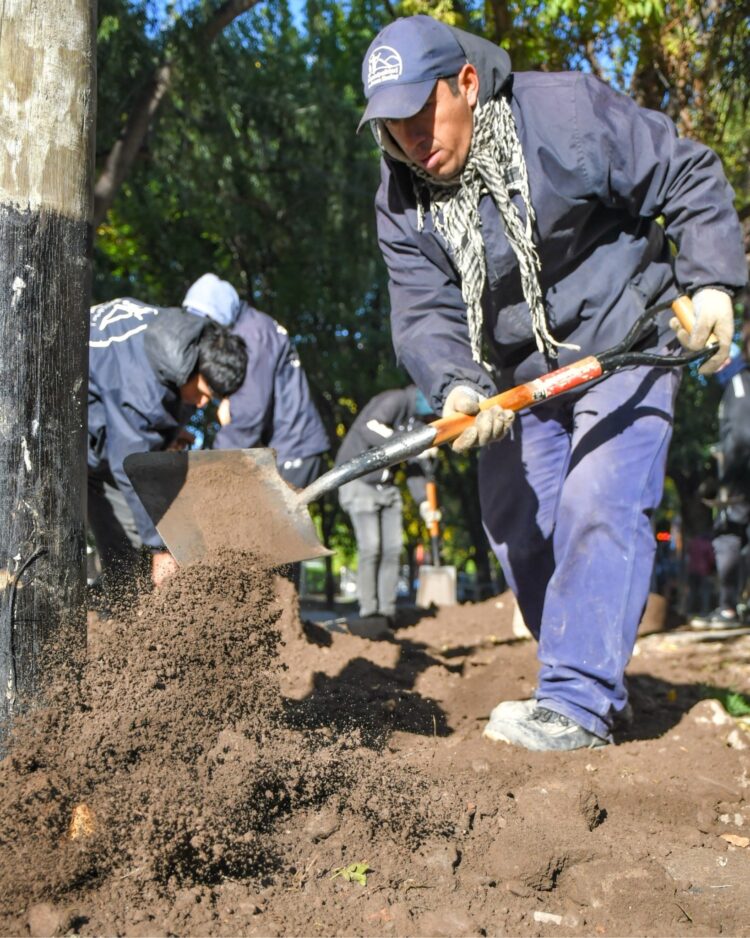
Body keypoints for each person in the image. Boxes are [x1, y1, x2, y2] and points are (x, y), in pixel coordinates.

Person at [358, 15, 747, 749]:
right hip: (523, 370)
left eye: (421, 112)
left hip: (625, 339)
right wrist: (456, 384)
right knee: (516, 524)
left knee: (599, 497)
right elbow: (422, 310)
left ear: (465, 85)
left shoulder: (563, 113)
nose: (410, 137)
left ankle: (577, 699)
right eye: (391, 124)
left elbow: (687, 171)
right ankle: (589, 678)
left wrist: (714, 283)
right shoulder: (401, 198)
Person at [88, 297, 248, 597]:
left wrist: (171, 433)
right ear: (192, 368)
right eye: (203, 393)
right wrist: (161, 549)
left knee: (129, 541)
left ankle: (123, 606)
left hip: (102, 436)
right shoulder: (140, 389)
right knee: (125, 541)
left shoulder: (179, 335)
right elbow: (131, 465)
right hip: (55, 435)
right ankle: (114, 611)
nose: (202, 403)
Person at [183, 274, 329, 492]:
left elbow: (249, 412)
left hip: (291, 449)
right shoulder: (256, 326)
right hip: (291, 446)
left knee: (265, 515)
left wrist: (211, 467)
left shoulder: (252, 336)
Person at [336, 385, 437, 628]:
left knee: (393, 548)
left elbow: (414, 469)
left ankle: (387, 611)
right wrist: (411, 446)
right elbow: (368, 427)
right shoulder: (396, 400)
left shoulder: (417, 423)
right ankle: (369, 613)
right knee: (371, 547)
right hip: (359, 480)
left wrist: (424, 502)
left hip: (387, 488)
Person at [691, 319, 750, 629]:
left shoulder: (739, 383)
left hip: (741, 478)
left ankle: (728, 609)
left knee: (727, 535)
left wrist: (728, 482)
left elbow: (741, 436)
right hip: (741, 474)